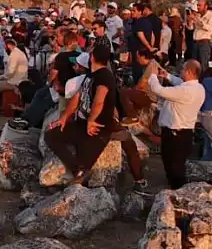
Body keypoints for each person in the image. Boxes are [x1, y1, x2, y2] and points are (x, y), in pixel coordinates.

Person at [45, 45, 149, 194]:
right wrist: (64, 118)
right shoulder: (90, 75)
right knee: (51, 135)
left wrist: (92, 120)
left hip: (100, 127)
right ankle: (78, 170)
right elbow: (78, 97)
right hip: (84, 123)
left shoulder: (104, 76)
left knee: (126, 142)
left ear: (92, 57)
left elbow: (100, 99)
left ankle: (139, 181)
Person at [147, 60, 205, 188]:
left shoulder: (184, 91)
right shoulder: (199, 88)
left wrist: (152, 75)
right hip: (186, 133)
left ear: (189, 72)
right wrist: (167, 75)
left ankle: (177, 195)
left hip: (175, 134)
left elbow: (158, 89)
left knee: (174, 168)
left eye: (183, 69)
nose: (181, 72)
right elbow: (181, 83)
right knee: (175, 164)